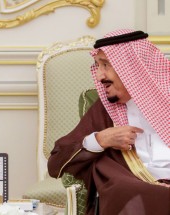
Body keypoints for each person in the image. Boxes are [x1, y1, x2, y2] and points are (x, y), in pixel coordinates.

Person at [48, 29, 170, 215]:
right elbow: (56, 162)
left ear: (131, 67)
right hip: (136, 193)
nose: (99, 76)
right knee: (131, 192)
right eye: (97, 65)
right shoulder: (106, 109)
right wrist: (100, 140)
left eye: (105, 65)